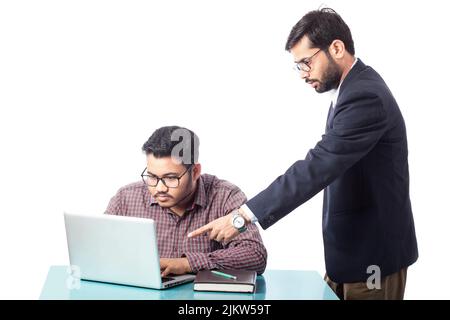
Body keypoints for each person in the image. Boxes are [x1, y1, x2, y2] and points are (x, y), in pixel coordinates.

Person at [189, 8, 418, 300]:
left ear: (336, 48)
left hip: (373, 262)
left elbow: (317, 167)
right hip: (348, 259)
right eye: (298, 66)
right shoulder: (350, 90)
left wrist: (242, 216)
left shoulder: (365, 96)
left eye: (307, 62)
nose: (303, 74)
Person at [105, 126, 267, 277]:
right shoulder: (126, 198)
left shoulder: (225, 196)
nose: (159, 188)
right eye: (152, 177)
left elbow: (255, 255)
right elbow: (98, 249)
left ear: (195, 171)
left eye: (171, 178)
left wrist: (187, 263)